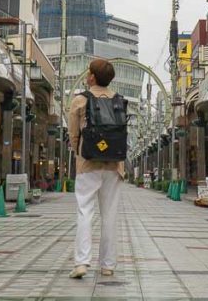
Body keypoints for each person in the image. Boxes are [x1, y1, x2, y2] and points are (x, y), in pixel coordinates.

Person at [68, 58, 125, 279]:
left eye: (88, 72)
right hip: (114, 164)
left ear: (92, 77)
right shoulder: (119, 100)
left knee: (85, 211)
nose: (86, 75)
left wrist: (81, 152)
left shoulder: (80, 101)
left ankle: (82, 262)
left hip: (88, 163)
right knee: (109, 215)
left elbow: (74, 136)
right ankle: (108, 265)